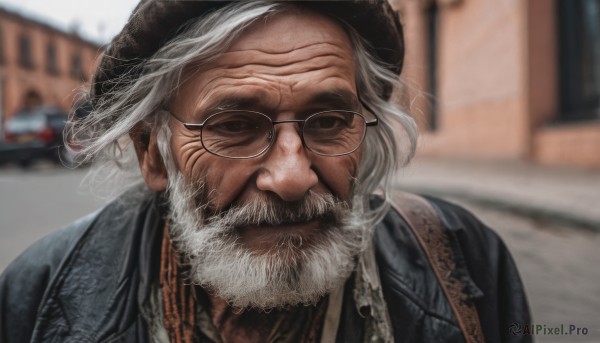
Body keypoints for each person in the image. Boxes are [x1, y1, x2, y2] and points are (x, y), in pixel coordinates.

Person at [0, 1, 531, 342]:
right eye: (233, 126)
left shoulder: (466, 261)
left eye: (327, 121)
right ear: (153, 153)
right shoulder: (41, 292)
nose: (292, 175)